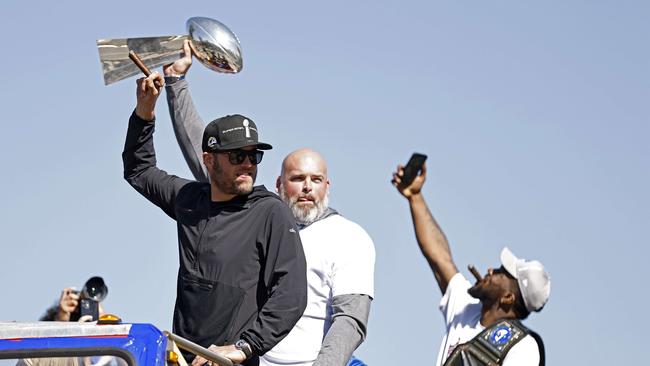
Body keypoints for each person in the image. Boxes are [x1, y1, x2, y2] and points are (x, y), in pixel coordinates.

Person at [162, 41, 375, 366]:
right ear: (279, 184)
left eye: (316, 180)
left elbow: (351, 319)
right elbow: (204, 156)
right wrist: (176, 83)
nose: (306, 187)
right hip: (250, 358)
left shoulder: (347, 236)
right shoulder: (259, 217)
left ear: (328, 186)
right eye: (297, 179)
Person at [123, 69, 308, 366]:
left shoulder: (270, 211)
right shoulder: (189, 199)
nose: (247, 163)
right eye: (237, 156)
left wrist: (244, 346)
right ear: (209, 160)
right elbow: (138, 171)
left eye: (254, 156)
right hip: (180, 360)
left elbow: (291, 295)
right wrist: (144, 113)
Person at [391, 163, 550, 366]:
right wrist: (415, 196)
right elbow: (440, 259)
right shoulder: (467, 310)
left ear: (508, 298)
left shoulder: (523, 346)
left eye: (501, 273)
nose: (491, 270)